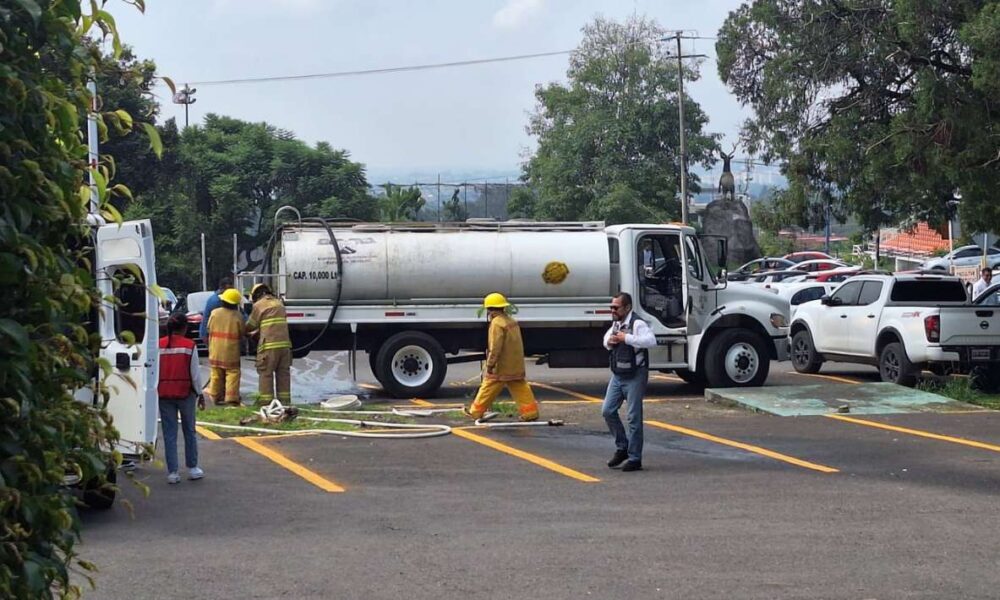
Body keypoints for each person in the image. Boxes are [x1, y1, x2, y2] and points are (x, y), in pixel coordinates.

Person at [602, 292, 657, 472]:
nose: (613, 310)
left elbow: (651, 341)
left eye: (616, 307)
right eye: (612, 307)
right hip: (618, 374)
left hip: (635, 374)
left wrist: (627, 338)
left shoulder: (637, 324)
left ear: (627, 308)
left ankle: (635, 458)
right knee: (608, 410)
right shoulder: (617, 323)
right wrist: (610, 341)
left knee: (634, 417)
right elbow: (606, 339)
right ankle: (622, 447)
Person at [463, 292, 539, 422]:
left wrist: (490, 364)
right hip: (516, 363)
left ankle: (475, 412)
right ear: (503, 307)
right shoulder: (511, 321)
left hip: (501, 365)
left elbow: (495, 347)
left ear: (489, 309)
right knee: (520, 386)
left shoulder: (496, 324)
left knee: (488, 386)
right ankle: (530, 413)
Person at [157, 313, 205, 484]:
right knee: (189, 431)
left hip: (163, 394)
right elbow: (195, 374)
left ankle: (173, 473)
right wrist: (200, 394)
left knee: (169, 434)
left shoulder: (159, 345)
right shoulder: (189, 346)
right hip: (185, 393)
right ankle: (192, 468)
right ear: (185, 328)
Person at [247, 283, 292, 405]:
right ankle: (285, 404)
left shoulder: (259, 305)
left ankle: (266, 404)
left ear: (256, 295)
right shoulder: (279, 304)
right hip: (285, 346)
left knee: (266, 374)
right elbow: (273, 325)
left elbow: (250, 325)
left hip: (269, 347)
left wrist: (243, 330)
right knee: (283, 375)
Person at [205, 288, 246, 406]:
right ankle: (231, 398)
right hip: (231, 351)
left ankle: (215, 396)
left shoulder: (214, 313)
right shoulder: (238, 316)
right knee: (232, 373)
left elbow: (209, 328)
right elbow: (242, 332)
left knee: (216, 372)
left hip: (215, 350)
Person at [199, 276, 233, 341]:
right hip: (212, 336)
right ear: (221, 289)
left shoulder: (220, 298)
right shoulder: (217, 301)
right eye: (228, 290)